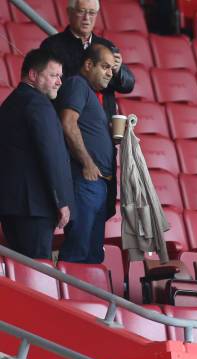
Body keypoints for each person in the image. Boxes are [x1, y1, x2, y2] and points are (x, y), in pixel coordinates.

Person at [40, 0, 135, 219]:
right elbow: (53, 83)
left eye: (92, 13)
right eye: (82, 12)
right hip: (70, 128)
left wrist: (119, 69)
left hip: (102, 127)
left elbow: (128, 84)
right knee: (79, 203)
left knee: (101, 206)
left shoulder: (107, 46)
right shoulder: (53, 46)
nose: (87, 18)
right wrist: (91, 67)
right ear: (70, 12)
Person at [0, 49, 73, 259]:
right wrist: (61, 201)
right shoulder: (39, 104)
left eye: (60, 76)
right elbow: (52, 155)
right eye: (53, 75)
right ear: (33, 75)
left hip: (12, 207)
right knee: (37, 271)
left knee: (20, 271)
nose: (59, 81)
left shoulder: (10, 103)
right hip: (35, 208)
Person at [57, 44, 115, 264]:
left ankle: (88, 298)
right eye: (105, 66)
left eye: (112, 68)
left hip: (97, 183)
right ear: (89, 65)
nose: (110, 72)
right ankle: (69, 298)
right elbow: (68, 124)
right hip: (85, 179)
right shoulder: (77, 84)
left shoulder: (90, 93)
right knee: (78, 250)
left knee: (92, 254)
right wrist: (88, 163)